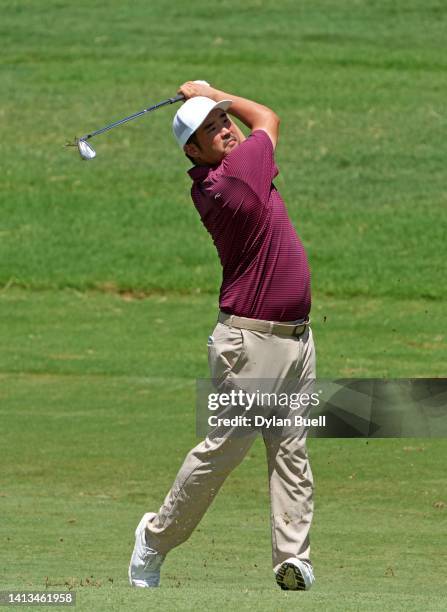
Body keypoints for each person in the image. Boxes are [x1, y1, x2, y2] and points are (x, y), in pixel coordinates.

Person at [129, 81, 316, 592]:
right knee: (224, 452)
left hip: (296, 338)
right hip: (252, 344)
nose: (225, 130)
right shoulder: (235, 178)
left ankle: (292, 559)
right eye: (210, 130)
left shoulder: (226, 172)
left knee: (291, 449)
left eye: (221, 120)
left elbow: (254, 124)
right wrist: (216, 92)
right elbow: (268, 116)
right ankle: (154, 537)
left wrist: (210, 101)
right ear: (194, 151)